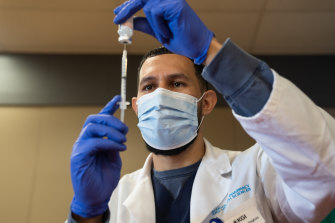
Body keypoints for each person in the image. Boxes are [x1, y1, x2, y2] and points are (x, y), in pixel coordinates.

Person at [67, 0, 335, 222]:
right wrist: (85, 213)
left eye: (176, 83)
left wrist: (213, 53)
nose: (161, 95)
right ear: (136, 107)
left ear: (206, 102)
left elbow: (325, 168)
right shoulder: (112, 199)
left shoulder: (257, 172)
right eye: (149, 87)